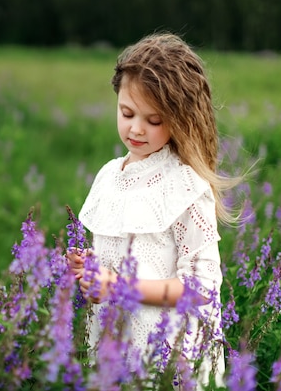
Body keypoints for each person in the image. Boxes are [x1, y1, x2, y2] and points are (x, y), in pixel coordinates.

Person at [67, 32, 240, 388]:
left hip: (165, 351)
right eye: (127, 112)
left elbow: (200, 289)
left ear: (179, 118)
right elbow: (120, 254)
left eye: (154, 120)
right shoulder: (109, 176)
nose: (136, 128)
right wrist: (90, 268)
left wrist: (118, 285)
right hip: (114, 340)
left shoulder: (186, 186)